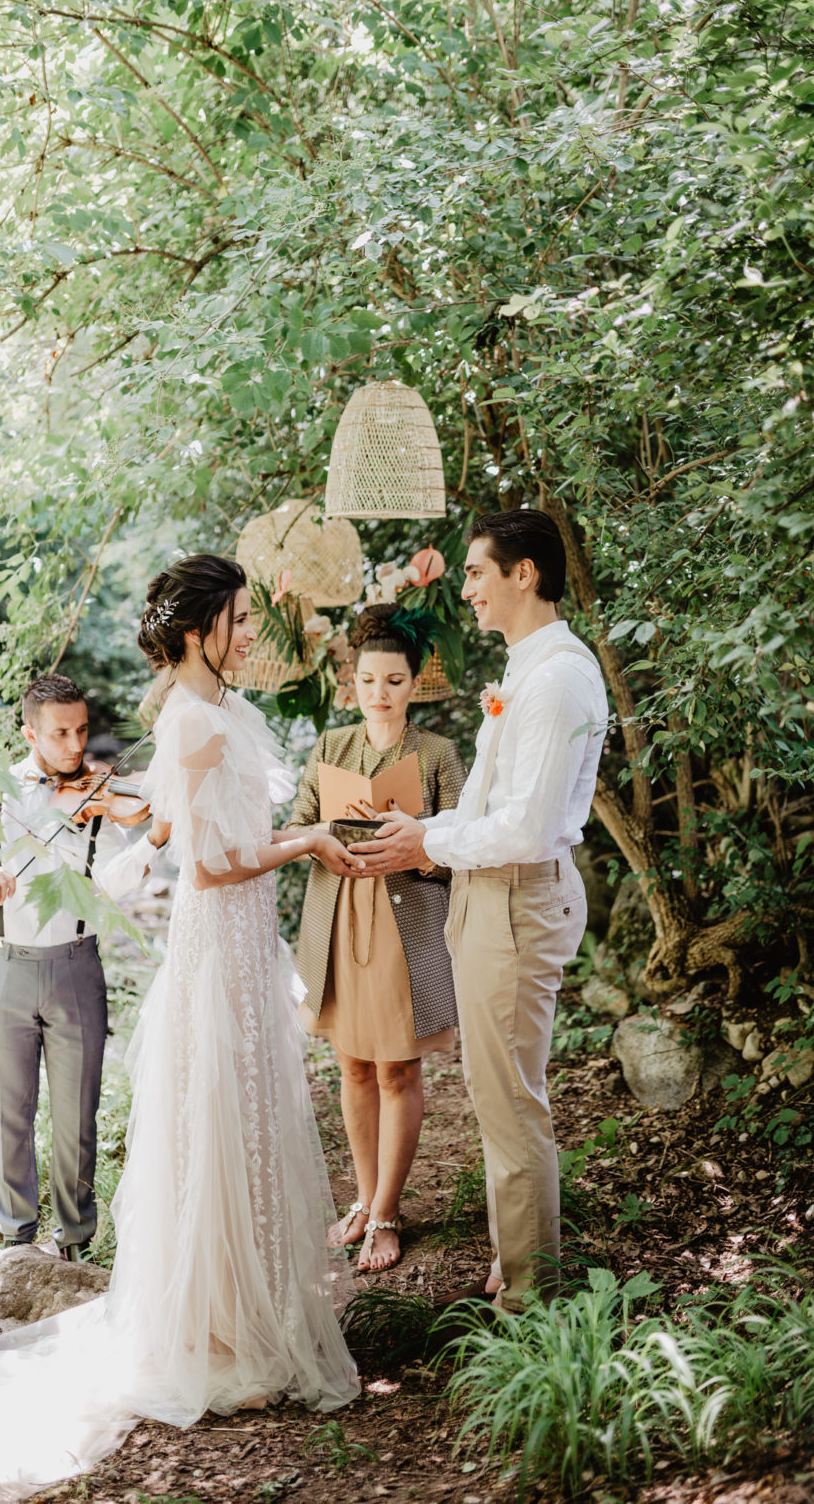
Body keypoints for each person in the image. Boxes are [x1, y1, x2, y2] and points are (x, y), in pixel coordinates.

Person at [0, 555, 360, 1504]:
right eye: (240, 620)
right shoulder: (192, 723)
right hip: (217, 943)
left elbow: (180, 830)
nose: (250, 633)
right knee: (214, 1124)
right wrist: (310, 841)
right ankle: (211, 1328)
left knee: (248, 1122)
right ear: (200, 630)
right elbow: (209, 866)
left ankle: (245, 1313)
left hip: (246, 947)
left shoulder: (228, 714)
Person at [350, 511, 608, 1312]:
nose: (463, 589)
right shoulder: (527, 667)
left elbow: (527, 828)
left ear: (523, 573)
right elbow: (491, 807)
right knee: (499, 1096)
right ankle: (516, 1252)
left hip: (518, 899)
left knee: (510, 1104)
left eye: (474, 572)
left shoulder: (558, 675)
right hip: (492, 895)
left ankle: (532, 1299)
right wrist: (425, 833)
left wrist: (429, 842)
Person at [0, 673, 163, 1260]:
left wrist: (154, 840)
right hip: (3, 969)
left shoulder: (97, 797)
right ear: (30, 732)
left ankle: (75, 1243)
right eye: (60, 734)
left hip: (75, 968)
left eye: (83, 731)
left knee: (77, 1117)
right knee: (9, 1113)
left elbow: (111, 882)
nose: (75, 746)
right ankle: (16, 1243)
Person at [288, 604, 466, 1273]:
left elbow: (465, 848)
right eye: (368, 680)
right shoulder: (330, 746)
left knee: (397, 1065)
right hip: (339, 919)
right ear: (352, 683)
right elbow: (294, 826)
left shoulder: (439, 754)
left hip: (405, 923)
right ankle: (363, 1198)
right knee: (354, 1063)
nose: (380, 693)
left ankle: (388, 1212)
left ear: (413, 684)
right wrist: (321, 837)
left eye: (394, 681)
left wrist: (419, 849)